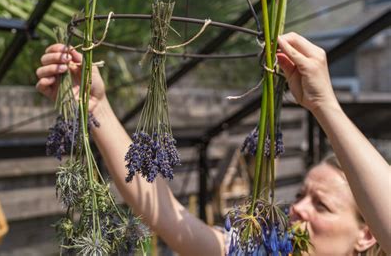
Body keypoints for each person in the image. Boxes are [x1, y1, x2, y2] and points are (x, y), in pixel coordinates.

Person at [36, 32, 390, 255]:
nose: (298, 209)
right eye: (300, 196)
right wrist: (97, 108)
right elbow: (170, 220)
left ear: (367, 235)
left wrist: (324, 105)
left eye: (322, 206)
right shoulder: (263, 251)